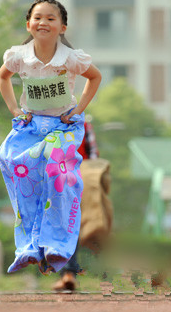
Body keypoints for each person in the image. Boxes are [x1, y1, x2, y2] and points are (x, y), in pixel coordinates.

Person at [0, 0, 102, 275]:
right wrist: (15, 109)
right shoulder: (18, 56)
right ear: (29, 24)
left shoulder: (71, 58)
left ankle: (58, 245)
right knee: (13, 164)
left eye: (51, 18)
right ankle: (29, 247)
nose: (44, 22)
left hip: (62, 127)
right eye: (38, 17)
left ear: (63, 27)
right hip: (32, 126)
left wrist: (78, 110)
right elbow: (2, 77)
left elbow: (95, 77)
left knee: (57, 174)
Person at [53, 119, 100, 291]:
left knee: (69, 226)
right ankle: (67, 272)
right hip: (54, 182)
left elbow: (93, 156)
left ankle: (68, 273)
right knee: (64, 227)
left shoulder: (84, 124)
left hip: (76, 183)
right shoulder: (48, 121)